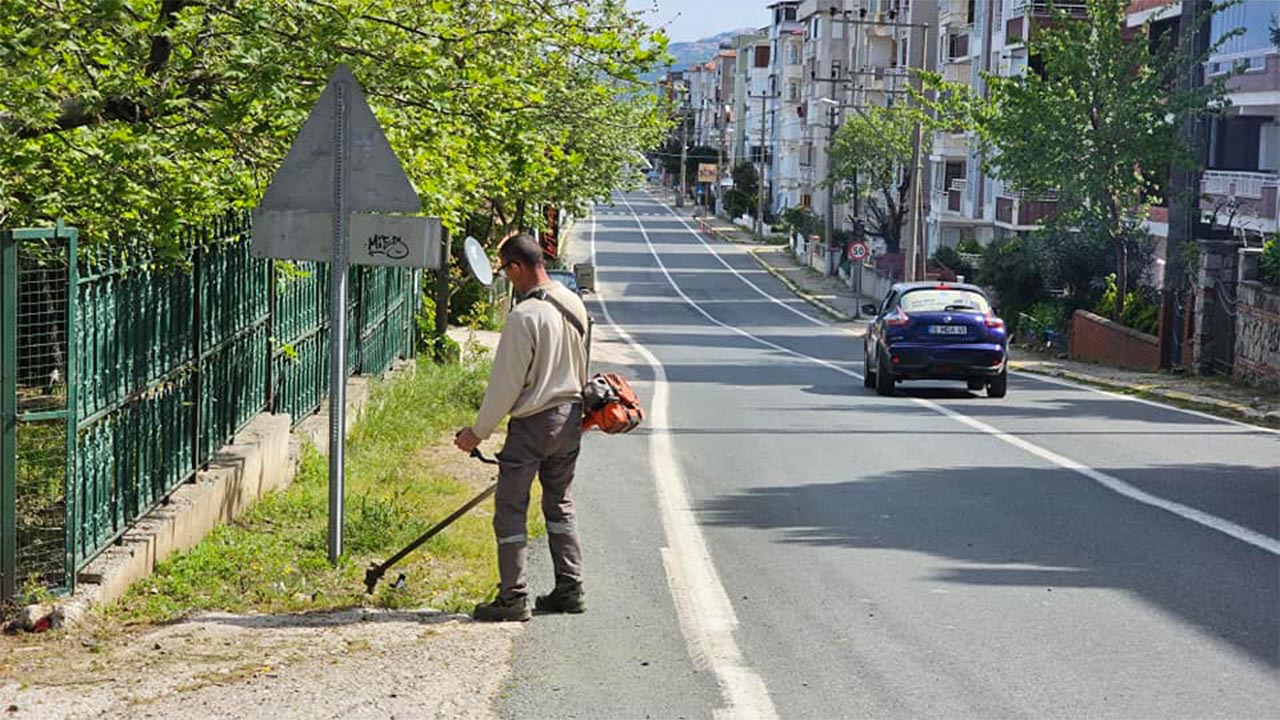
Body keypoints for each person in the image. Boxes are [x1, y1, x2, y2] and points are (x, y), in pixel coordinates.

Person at [454, 233, 589, 622]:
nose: (508, 279)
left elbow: (506, 385)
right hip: (571, 416)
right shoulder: (572, 303)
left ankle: (513, 597)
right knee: (559, 501)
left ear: (516, 267)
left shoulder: (524, 316)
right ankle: (570, 587)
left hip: (534, 422)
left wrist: (477, 432)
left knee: (511, 507)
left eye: (506, 271)